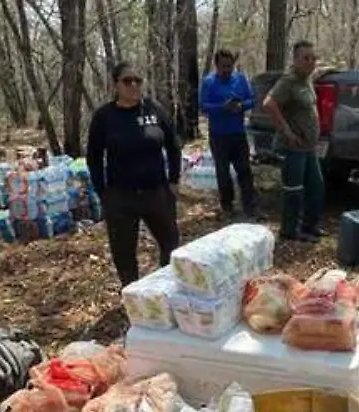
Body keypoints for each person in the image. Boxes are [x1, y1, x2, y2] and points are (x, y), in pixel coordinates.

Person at [86, 61, 182, 287]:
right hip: (121, 196)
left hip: (157, 191)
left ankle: (167, 289)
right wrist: (102, 191)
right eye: (127, 81)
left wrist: (174, 179)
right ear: (115, 85)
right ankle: (132, 295)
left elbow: (173, 145)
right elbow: (94, 156)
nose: (133, 85)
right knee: (124, 254)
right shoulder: (104, 116)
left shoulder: (154, 110)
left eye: (138, 80)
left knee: (171, 244)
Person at [262, 40, 324, 243]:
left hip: (309, 147)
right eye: (306, 58)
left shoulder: (307, 79)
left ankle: (309, 226)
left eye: (313, 58)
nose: (310, 62)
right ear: (295, 60)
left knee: (316, 186)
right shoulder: (288, 81)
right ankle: (289, 230)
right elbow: (269, 104)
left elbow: (319, 70)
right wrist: (287, 132)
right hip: (294, 147)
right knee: (294, 190)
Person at [199, 48, 258, 219]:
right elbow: (203, 106)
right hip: (218, 135)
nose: (227, 70)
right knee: (223, 172)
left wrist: (242, 106)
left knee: (244, 171)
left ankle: (250, 206)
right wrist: (222, 107)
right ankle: (227, 206)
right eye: (223, 66)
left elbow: (251, 99)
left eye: (230, 66)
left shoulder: (240, 79)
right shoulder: (209, 82)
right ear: (216, 66)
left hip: (238, 133)